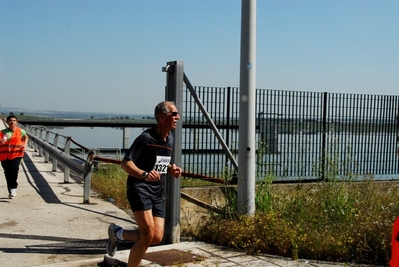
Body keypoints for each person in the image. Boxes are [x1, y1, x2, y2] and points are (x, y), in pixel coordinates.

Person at [106, 101, 183, 267]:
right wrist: (144, 174)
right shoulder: (145, 138)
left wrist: (170, 168)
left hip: (157, 192)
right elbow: (126, 163)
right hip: (139, 189)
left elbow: (157, 161)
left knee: (156, 237)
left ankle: (118, 234)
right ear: (162, 117)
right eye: (174, 114)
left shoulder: (170, 138)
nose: (178, 117)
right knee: (147, 234)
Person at [0, 115, 29, 199]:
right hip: (5, 156)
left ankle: (13, 188)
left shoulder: (21, 131)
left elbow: (26, 137)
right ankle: (11, 189)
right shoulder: (3, 132)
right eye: (10, 120)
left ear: (17, 122)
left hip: (17, 155)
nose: (12, 122)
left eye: (14, 120)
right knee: (8, 173)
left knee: (14, 170)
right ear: (7, 122)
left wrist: (25, 144)